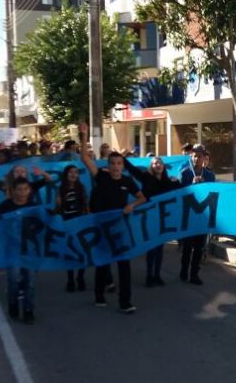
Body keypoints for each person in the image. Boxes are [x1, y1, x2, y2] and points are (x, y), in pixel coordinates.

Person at [80, 124, 146, 313]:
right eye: (113, 164)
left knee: (124, 265)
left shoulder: (128, 182)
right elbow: (84, 158)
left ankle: (125, 302)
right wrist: (84, 136)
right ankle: (99, 294)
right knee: (103, 263)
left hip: (120, 229)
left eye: (119, 164)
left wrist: (131, 205)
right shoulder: (101, 177)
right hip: (102, 228)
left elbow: (142, 198)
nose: (116, 167)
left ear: (123, 166)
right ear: (108, 165)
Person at [126, 155, 180, 287]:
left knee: (160, 248)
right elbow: (132, 169)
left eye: (160, 162)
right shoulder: (146, 177)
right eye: (155, 163)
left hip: (163, 218)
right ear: (151, 166)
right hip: (150, 217)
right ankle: (149, 276)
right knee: (152, 248)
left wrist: (177, 182)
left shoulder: (169, 180)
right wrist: (122, 158)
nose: (158, 165)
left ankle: (157, 275)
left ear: (163, 166)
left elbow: (182, 193)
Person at [0, 177, 38, 323]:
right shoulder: (6, 205)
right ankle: (13, 303)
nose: (23, 193)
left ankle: (28, 310)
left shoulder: (33, 207)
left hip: (29, 249)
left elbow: (42, 224)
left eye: (25, 189)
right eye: (19, 189)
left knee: (30, 281)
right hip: (12, 248)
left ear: (29, 190)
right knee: (13, 279)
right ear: (13, 191)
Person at [179, 144, 216, 284]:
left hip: (202, 216)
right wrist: (191, 185)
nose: (197, 159)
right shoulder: (185, 173)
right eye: (194, 156)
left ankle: (194, 273)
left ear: (204, 158)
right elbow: (180, 193)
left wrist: (205, 184)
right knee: (187, 247)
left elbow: (213, 193)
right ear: (191, 157)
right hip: (189, 216)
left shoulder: (209, 175)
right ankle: (184, 270)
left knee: (199, 247)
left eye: (199, 156)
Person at [57, 164, 89, 292]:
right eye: (71, 172)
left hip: (80, 223)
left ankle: (80, 277)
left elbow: (86, 204)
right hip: (67, 223)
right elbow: (58, 208)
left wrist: (87, 218)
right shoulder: (61, 189)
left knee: (82, 252)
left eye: (76, 172)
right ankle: (70, 279)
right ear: (66, 174)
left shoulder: (81, 188)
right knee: (69, 253)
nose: (73, 174)